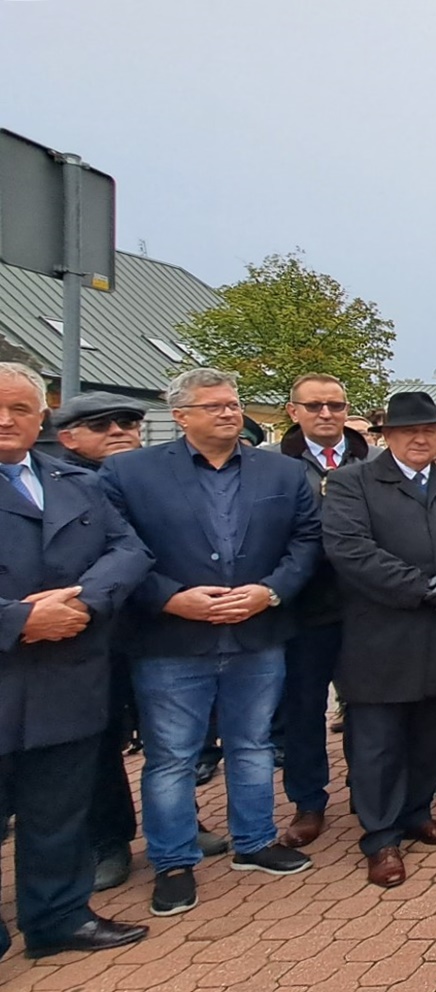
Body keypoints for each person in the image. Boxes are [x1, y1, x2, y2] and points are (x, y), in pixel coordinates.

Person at [100, 368, 323, 916]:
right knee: (171, 756)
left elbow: (307, 539)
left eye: (233, 403)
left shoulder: (282, 471)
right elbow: (117, 547)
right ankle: (173, 861)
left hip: (257, 630)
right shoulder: (129, 473)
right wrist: (168, 597)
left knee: (252, 746)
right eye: (214, 406)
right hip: (172, 638)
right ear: (180, 416)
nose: (229, 412)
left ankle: (253, 842)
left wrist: (270, 592)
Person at [0, 362, 152, 960]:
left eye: (18, 408)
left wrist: (85, 604)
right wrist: (18, 620)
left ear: (44, 417)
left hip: (68, 673)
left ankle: (58, 917)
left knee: (57, 811)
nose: (5, 419)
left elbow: (128, 548)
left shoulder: (73, 480)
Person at [322, 391, 436, 888]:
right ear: (388, 437)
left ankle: (418, 813)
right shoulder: (353, 482)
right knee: (377, 742)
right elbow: (349, 549)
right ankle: (380, 837)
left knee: (430, 735)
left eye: (429, 430)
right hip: (382, 634)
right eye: (408, 431)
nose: (421, 439)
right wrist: (419, 588)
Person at [51, 392, 150, 891]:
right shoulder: (63, 484)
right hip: (88, 634)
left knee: (165, 737)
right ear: (69, 437)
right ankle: (108, 841)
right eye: (102, 425)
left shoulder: (152, 476)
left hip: (157, 625)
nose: (119, 432)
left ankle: (174, 824)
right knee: (100, 742)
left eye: (128, 422)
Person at [274, 373, 372, 851]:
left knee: (367, 704)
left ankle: (367, 787)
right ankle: (308, 801)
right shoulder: (274, 467)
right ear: (294, 411)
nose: (327, 414)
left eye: (335, 405)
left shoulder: (372, 460)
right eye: (315, 406)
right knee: (305, 708)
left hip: (364, 604)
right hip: (305, 606)